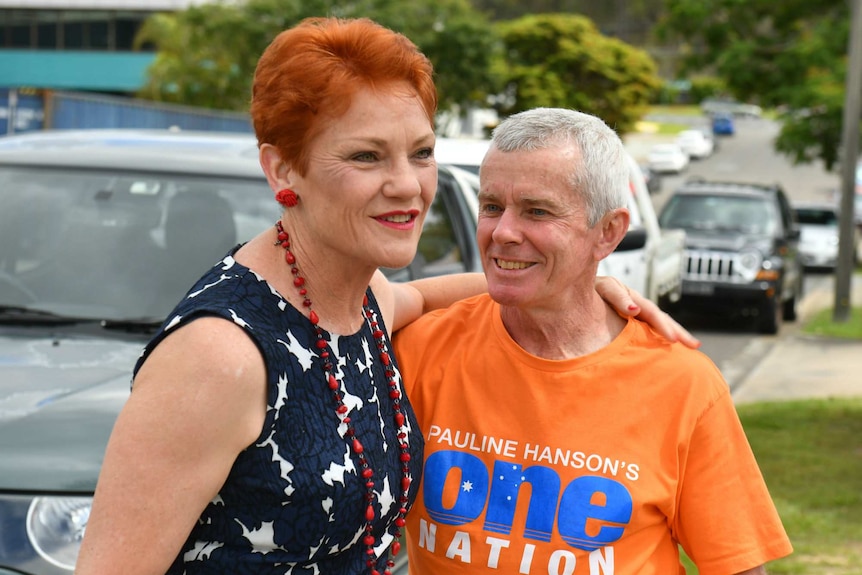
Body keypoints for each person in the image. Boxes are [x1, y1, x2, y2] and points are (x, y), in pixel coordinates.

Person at [74, 19, 695, 575]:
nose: (407, 185)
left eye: (421, 153)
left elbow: (423, 297)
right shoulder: (220, 354)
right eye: (366, 156)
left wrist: (578, 284)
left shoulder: (360, 297)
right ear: (282, 168)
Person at [394, 108, 793, 574]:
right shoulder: (418, 349)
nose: (502, 232)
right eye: (491, 206)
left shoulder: (682, 385)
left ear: (608, 232)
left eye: (537, 211)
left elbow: (739, 566)